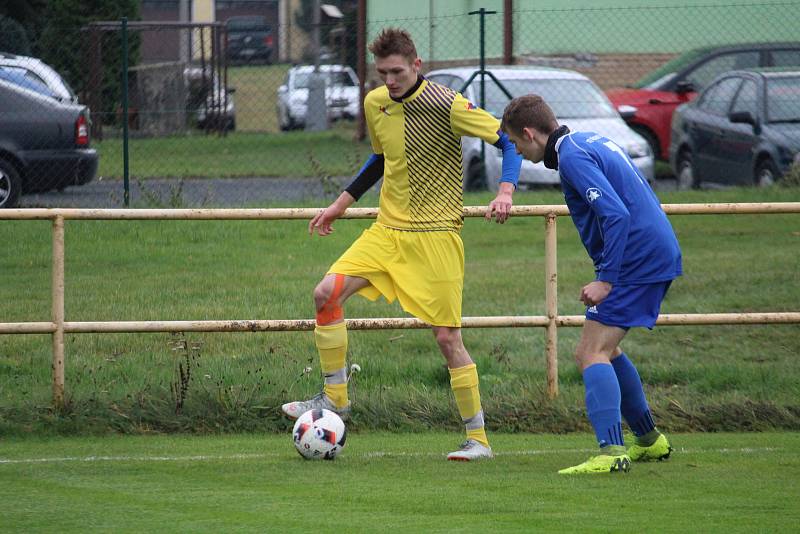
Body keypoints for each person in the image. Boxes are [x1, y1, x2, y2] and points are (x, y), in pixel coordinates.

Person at [281, 28, 522, 461]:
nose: (389, 81)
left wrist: (505, 190)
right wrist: (339, 205)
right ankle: (335, 400)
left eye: (397, 72)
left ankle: (479, 440)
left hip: (436, 237)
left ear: (417, 66)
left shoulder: (447, 103)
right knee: (326, 294)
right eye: (382, 73)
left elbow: (507, 140)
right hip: (387, 233)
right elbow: (380, 160)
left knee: (448, 338)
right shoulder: (376, 104)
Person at [496, 94, 681, 474]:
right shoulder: (585, 141)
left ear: (529, 133)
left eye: (514, 142)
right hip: (653, 252)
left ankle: (611, 452)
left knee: (589, 352)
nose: (515, 149)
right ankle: (649, 440)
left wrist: (606, 280)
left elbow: (615, 214)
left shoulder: (574, 157)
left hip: (637, 260)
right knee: (606, 350)